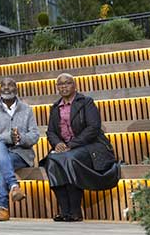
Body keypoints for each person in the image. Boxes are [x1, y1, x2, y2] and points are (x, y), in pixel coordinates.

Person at [40, 73, 119, 222]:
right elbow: (50, 131)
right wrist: (58, 144)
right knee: (51, 161)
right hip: (66, 149)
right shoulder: (55, 107)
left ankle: (75, 211)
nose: (64, 86)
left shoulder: (86, 102)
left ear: (74, 85)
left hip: (91, 146)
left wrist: (71, 145)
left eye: (67, 83)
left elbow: (93, 128)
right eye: (60, 84)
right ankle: (65, 211)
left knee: (70, 160)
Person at [0, 77, 40, 221]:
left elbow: (35, 135)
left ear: (17, 89)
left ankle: (2, 207)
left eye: (11, 85)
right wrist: (8, 138)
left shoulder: (27, 110)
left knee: (2, 164)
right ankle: (14, 186)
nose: (7, 88)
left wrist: (20, 139)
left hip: (21, 154)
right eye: (3, 86)